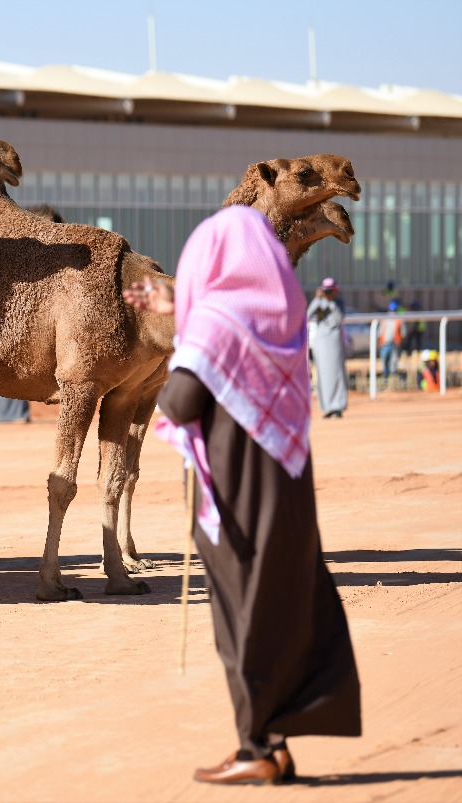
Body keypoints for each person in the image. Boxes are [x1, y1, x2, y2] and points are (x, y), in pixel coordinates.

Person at [125, 206, 361, 786]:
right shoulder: (281, 318)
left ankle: (256, 746)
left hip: (235, 498)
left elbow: (180, 402)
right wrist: (186, 317)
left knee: (243, 616)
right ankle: (274, 743)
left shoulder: (217, 320)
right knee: (280, 605)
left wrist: (186, 328)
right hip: (285, 490)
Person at [307, 277, 347, 418]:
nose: (328, 293)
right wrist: (317, 299)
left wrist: (330, 303)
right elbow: (308, 314)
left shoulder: (338, 302)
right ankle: (327, 407)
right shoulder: (320, 302)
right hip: (320, 342)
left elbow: (338, 318)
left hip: (334, 340)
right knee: (323, 375)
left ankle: (337, 406)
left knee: (336, 373)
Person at [378, 300, 403, 383]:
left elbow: (403, 333)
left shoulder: (399, 320)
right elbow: (380, 332)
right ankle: (385, 376)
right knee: (384, 359)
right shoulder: (385, 319)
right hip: (385, 343)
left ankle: (393, 377)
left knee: (394, 360)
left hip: (394, 344)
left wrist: (399, 341)